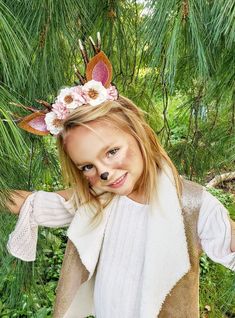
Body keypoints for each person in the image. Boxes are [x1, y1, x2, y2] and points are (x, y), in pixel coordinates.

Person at [4, 35, 235, 318]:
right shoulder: (96, 200)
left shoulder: (193, 205)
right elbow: (31, 203)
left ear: (138, 134)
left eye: (112, 151)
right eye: (86, 166)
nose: (102, 171)